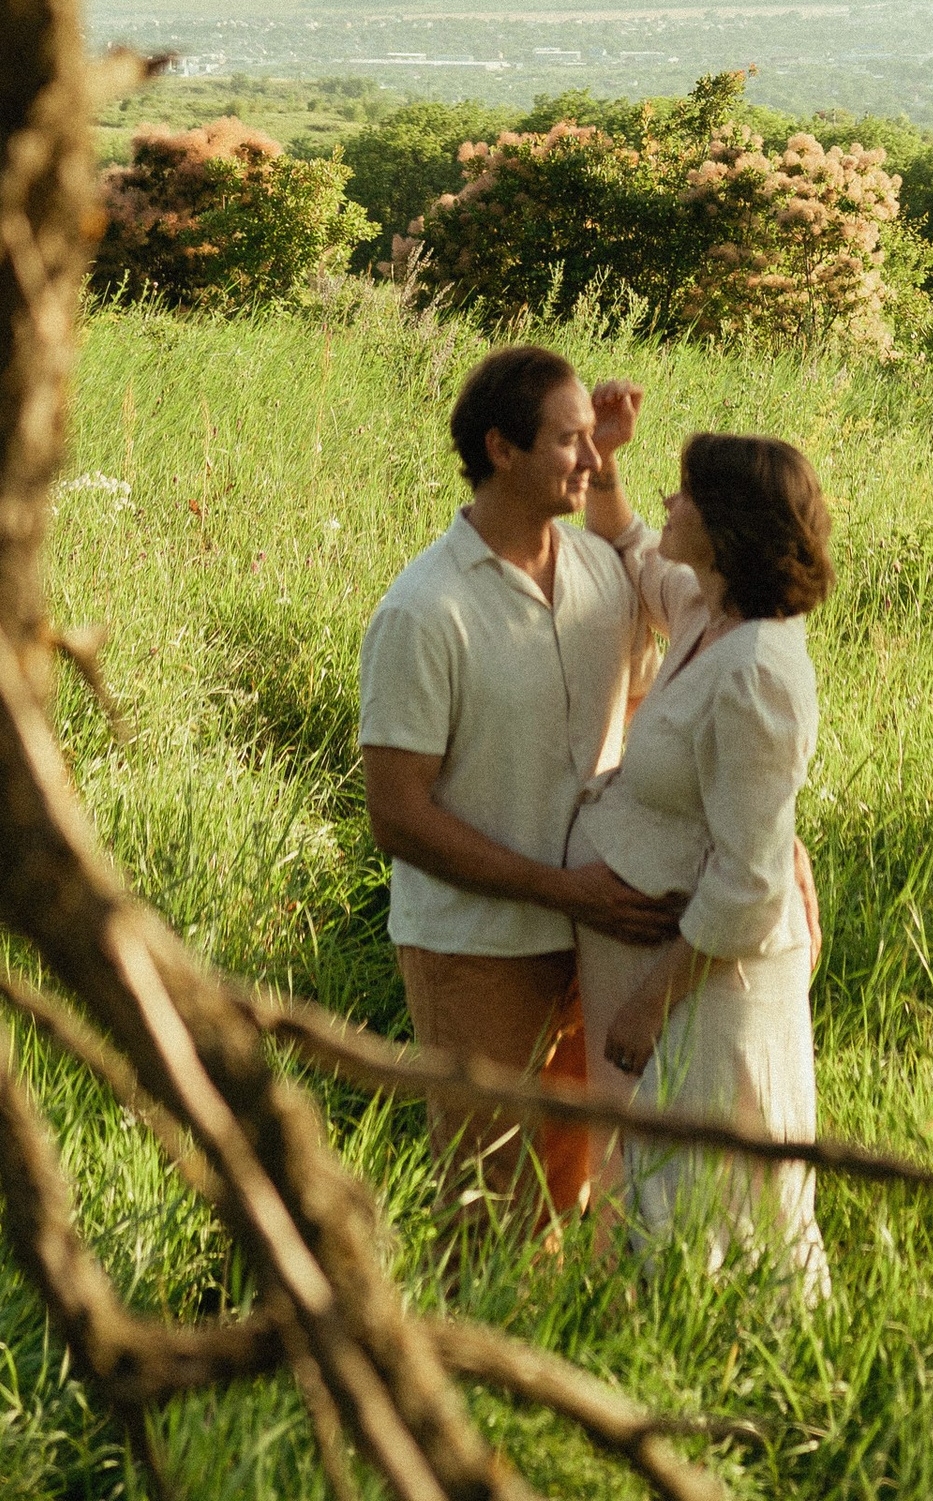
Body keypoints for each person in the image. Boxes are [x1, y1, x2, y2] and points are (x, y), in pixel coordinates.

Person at [357, 344, 685, 1230]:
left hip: (597, 937)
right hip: (477, 947)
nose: (592, 457)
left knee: (579, 1184)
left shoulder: (600, 573)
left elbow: (655, 699)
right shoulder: (424, 611)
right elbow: (397, 815)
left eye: (593, 440)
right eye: (570, 440)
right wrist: (561, 888)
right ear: (501, 449)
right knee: (490, 1197)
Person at [572, 423, 834, 1293]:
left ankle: (741, 1362)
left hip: (710, 991)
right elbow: (633, 549)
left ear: (725, 530)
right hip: (672, 979)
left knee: (717, 1201)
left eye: (685, 493)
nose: (669, 502)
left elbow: (749, 887)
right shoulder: (706, 616)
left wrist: (650, 1003)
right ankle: (659, 1345)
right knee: (662, 1190)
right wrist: (604, 469)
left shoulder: (758, 670)